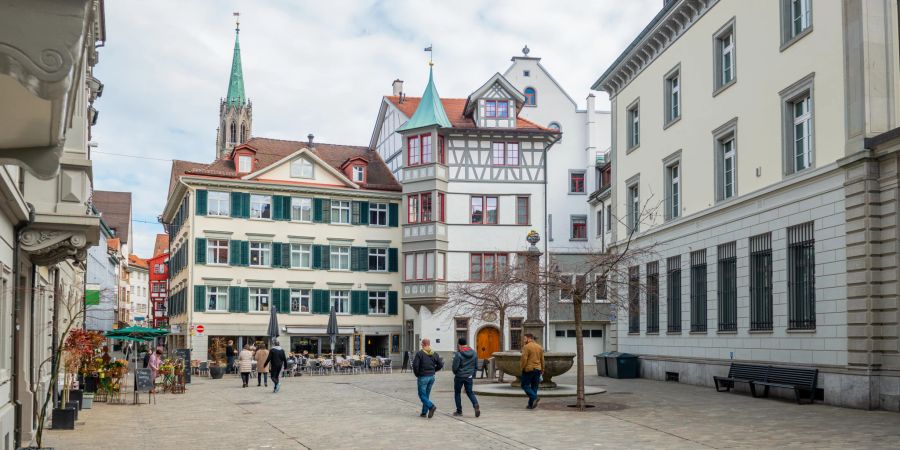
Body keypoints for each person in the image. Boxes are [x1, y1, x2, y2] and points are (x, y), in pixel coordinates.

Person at [412, 338, 443, 418]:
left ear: (423, 344)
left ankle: (431, 406)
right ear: (429, 344)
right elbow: (440, 365)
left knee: (421, 395)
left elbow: (415, 365)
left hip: (423, 376)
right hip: (431, 377)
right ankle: (424, 412)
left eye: (421, 344)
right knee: (426, 395)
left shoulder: (420, 354)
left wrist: (417, 374)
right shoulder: (435, 354)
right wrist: (434, 370)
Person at [451, 338, 480, 417]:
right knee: (470, 392)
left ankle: (459, 411)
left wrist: (456, 373)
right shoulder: (474, 353)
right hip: (469, 376)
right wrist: (472, 374)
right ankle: (475, 404)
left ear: (459, 345)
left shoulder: (458, 354)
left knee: (457, 393)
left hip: (459, 376)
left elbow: (455, 367)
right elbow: (476, 366)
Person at [519, 333, 545, 409]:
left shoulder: (526, 347)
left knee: (524, 385)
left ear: (529, 338)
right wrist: (542, 369)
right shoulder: (539, 347)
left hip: (529, 369)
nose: (524, 340)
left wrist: (522, 367)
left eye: (525, 339)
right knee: (534, 387)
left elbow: (524, 359)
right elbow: (542, 359)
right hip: (538, 369)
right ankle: (531, 405)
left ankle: (535, 397)